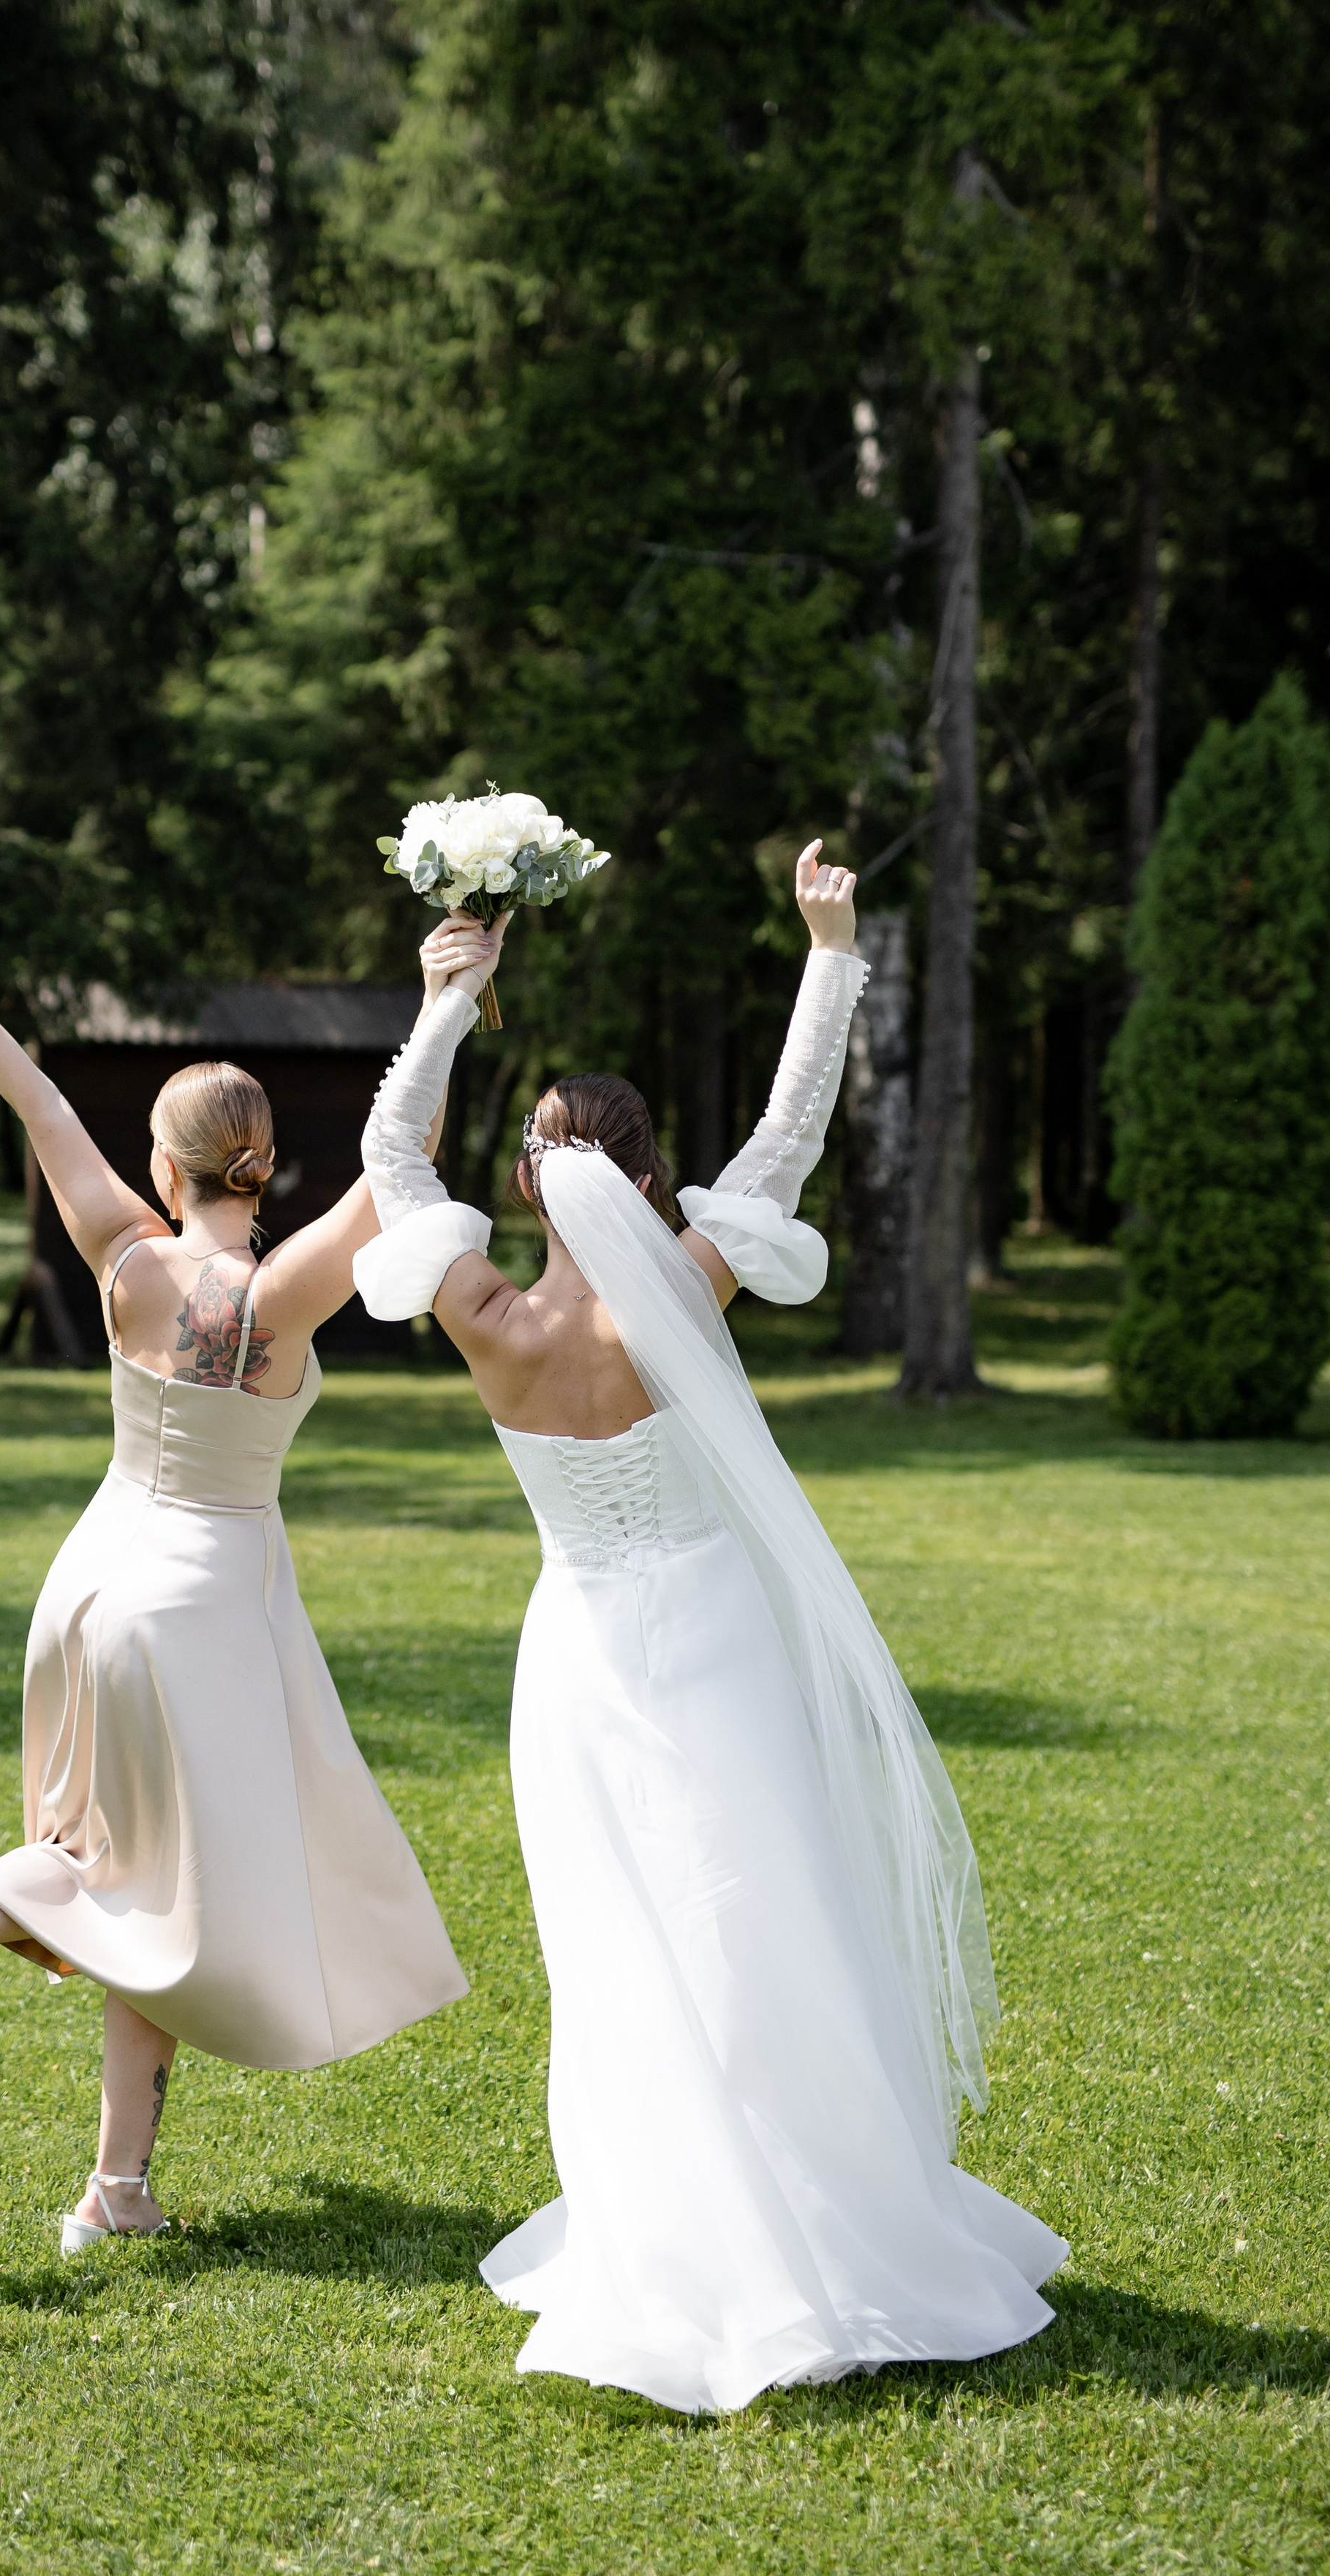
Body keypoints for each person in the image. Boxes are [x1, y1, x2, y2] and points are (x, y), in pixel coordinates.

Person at [352, 844, 1066, 2414]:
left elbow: (391, 1154)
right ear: (649, 1169)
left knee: (625, 1952)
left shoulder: (484, 1314)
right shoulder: (682, 1286)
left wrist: (443, 1005)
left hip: (581, 1659)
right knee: (761, 1919)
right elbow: (791, 1131)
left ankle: (670, 2229)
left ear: (532, 1181)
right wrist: (829, 953)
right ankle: (821, 2212)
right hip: (714, 1639)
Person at [0, 891, 493, 2250]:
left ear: (165, 1171)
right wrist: (445, 1001)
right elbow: (405, 1146)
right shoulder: (279, 1295)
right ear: (263, 1165)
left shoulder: (126, 1263)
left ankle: (118, 2189)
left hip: (92, 1584)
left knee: (133, 1883)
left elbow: (38, 1095)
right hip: (201, 1611)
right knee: (147, 1891)